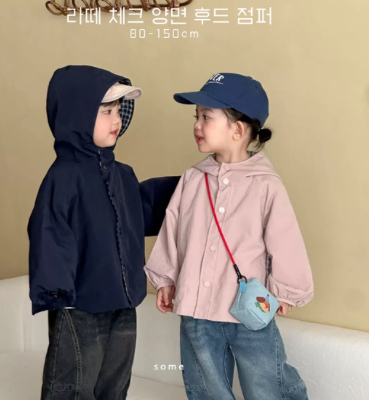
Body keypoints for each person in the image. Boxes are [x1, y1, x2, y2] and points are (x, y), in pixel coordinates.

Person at [144, 72, 314, 400]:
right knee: (204, 386)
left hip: (248, 310)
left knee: (266, 381)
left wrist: (287, 290)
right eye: (195, 116)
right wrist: (165, 277)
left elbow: (285, 240)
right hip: (196, 308)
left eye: (206, 117)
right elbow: (172, 229)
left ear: (237, 130)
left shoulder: (265, 185)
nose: (197, 124)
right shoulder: (193, 179)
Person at [28, 65, 179, 400]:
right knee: (73, 382)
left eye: (118, 111)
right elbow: (49, 232)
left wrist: (190, 188)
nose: (116, 120)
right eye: (106, 111)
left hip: (122, 300)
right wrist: (57, 294)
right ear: (77, 116)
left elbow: (139, 212)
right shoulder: (63, 177)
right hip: (79, 304)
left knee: (115, 381)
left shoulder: (122, 174)